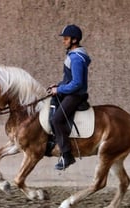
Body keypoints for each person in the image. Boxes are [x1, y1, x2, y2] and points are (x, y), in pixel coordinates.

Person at [48, 24, 91, 170]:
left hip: (75, 96)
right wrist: (58, 85)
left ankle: (67, 155)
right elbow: (69, 79)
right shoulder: (72, 56)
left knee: (57, 119)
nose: (63, 41)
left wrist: (59, 89)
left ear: (74, 40)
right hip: (70, 92)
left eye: (66, 38)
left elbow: (77, 83)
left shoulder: (77, 58)